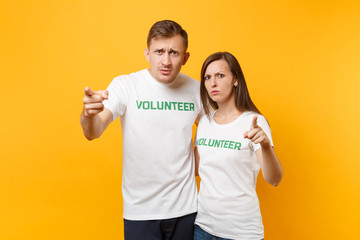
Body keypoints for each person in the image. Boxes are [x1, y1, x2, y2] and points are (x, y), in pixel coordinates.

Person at [80, 20, 202, 240]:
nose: (166, 61)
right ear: (147, 54)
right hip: (141, 211)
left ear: (185, 57)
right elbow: (94, 131)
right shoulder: (126, 85)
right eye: (159, 52)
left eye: (174, 52)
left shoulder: (197, 90)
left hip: (187, 209)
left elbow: (218, 132)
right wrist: (88, 115)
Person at [193, 52, 283, 240]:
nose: (212, 83)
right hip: (202, 228)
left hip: (241, 232)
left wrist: (265, 145)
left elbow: (274, 179)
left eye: (220, 75)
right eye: (207, 78)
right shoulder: (204, 122)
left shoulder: (254, 121)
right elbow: (196, 169)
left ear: (235, 80)